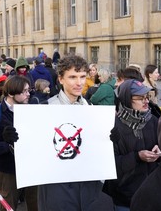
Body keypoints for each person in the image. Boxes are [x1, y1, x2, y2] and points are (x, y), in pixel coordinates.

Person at [38, 54, 114, 211]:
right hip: (57, 187)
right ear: (60, 79)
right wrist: (15, 139)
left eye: (82, 77)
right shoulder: (45, 109)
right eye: (72, 77)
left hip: (87, 187)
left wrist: (109, 138)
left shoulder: (91, 108)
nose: (79, 83)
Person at [103, 79, 161, 211]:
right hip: (124, 197)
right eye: (140, 98)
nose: (146, 101)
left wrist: (160, 150)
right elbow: (110, 165)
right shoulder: (113, 126)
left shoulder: (153, 120)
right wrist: (137, 157)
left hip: (151, 194)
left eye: (147, 97)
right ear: (127, 99)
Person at [0, 75, 38, 211]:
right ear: (11, 93)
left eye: (28, 90)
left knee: (35, 203)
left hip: (31, 166)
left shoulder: (32, 110)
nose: (28, 94)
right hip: (7, 169)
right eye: (24, 91)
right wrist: (8, 145)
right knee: (8, 204)